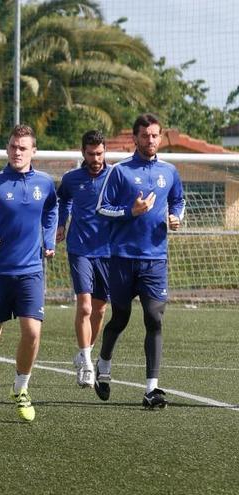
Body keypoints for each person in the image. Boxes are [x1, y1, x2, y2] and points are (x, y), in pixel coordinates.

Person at [0, 124, 57, 423]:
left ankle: (21, 388)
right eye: (13, 147)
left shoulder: (45, 183)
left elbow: (52, 210)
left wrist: (49, 239)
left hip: (31, 271)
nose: (17, 152)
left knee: (32, 331)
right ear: (7, 149)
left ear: (33, 151)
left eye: (23, 147)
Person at [94, 113, 184, 409]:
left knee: (154, 319)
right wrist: (130, 211)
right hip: (121, 259)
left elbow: (179, 200)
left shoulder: (170, 171)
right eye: (145, 135)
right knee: (120, 318)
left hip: (155, 259)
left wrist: (176, 217)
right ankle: (103, 366)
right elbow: (102, 209)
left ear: (160, 137)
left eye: (155, 135)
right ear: (136, 138)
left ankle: (152, 389)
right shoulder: (119, 172)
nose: (150, 140)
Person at [56, 130, 111, 388]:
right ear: (83, 153)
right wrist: (60, 225)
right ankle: (88, 363)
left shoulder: (115, 177)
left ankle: (84, 350)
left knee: (100, 310)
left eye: (99, 153)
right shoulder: (71, 179)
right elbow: (62, 201)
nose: (96, 158)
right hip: (79, 249)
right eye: (91, 154)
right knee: (86, 307)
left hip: (108, 252)